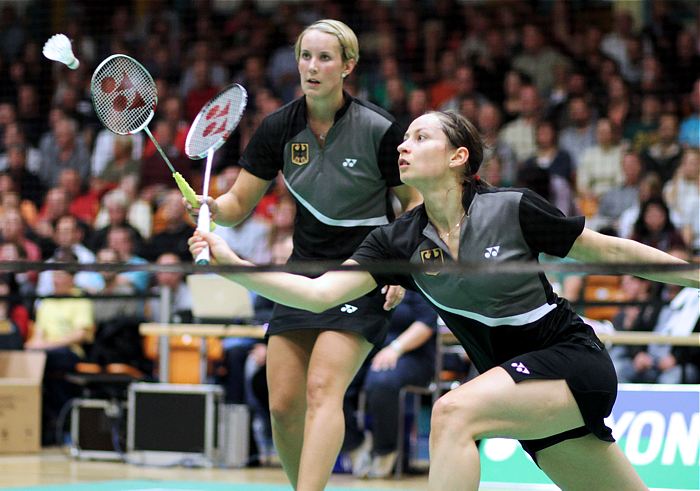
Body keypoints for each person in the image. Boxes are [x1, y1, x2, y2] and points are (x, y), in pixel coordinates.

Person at [190, 110, 699, 491]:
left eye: (420, 136)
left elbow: (607, 250)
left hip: (572, 362)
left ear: (459, 157)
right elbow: (318, 292)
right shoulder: (398, 242)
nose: (403, 146)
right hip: (521, 391)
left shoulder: (511, 209)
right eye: (404, 138)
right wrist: (233, 263)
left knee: (453, 413)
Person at [187, 19, 420, 491]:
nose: (312, 67)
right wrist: (211, 208)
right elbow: (236, 206)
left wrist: (401, 264)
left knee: (321, 390)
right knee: (283, 404)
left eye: (325, 58)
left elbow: (415, 202)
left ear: (348, 66)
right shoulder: (278, 128)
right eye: (306, 57)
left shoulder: (378, 129)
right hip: (303, 273)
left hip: (363, 270)